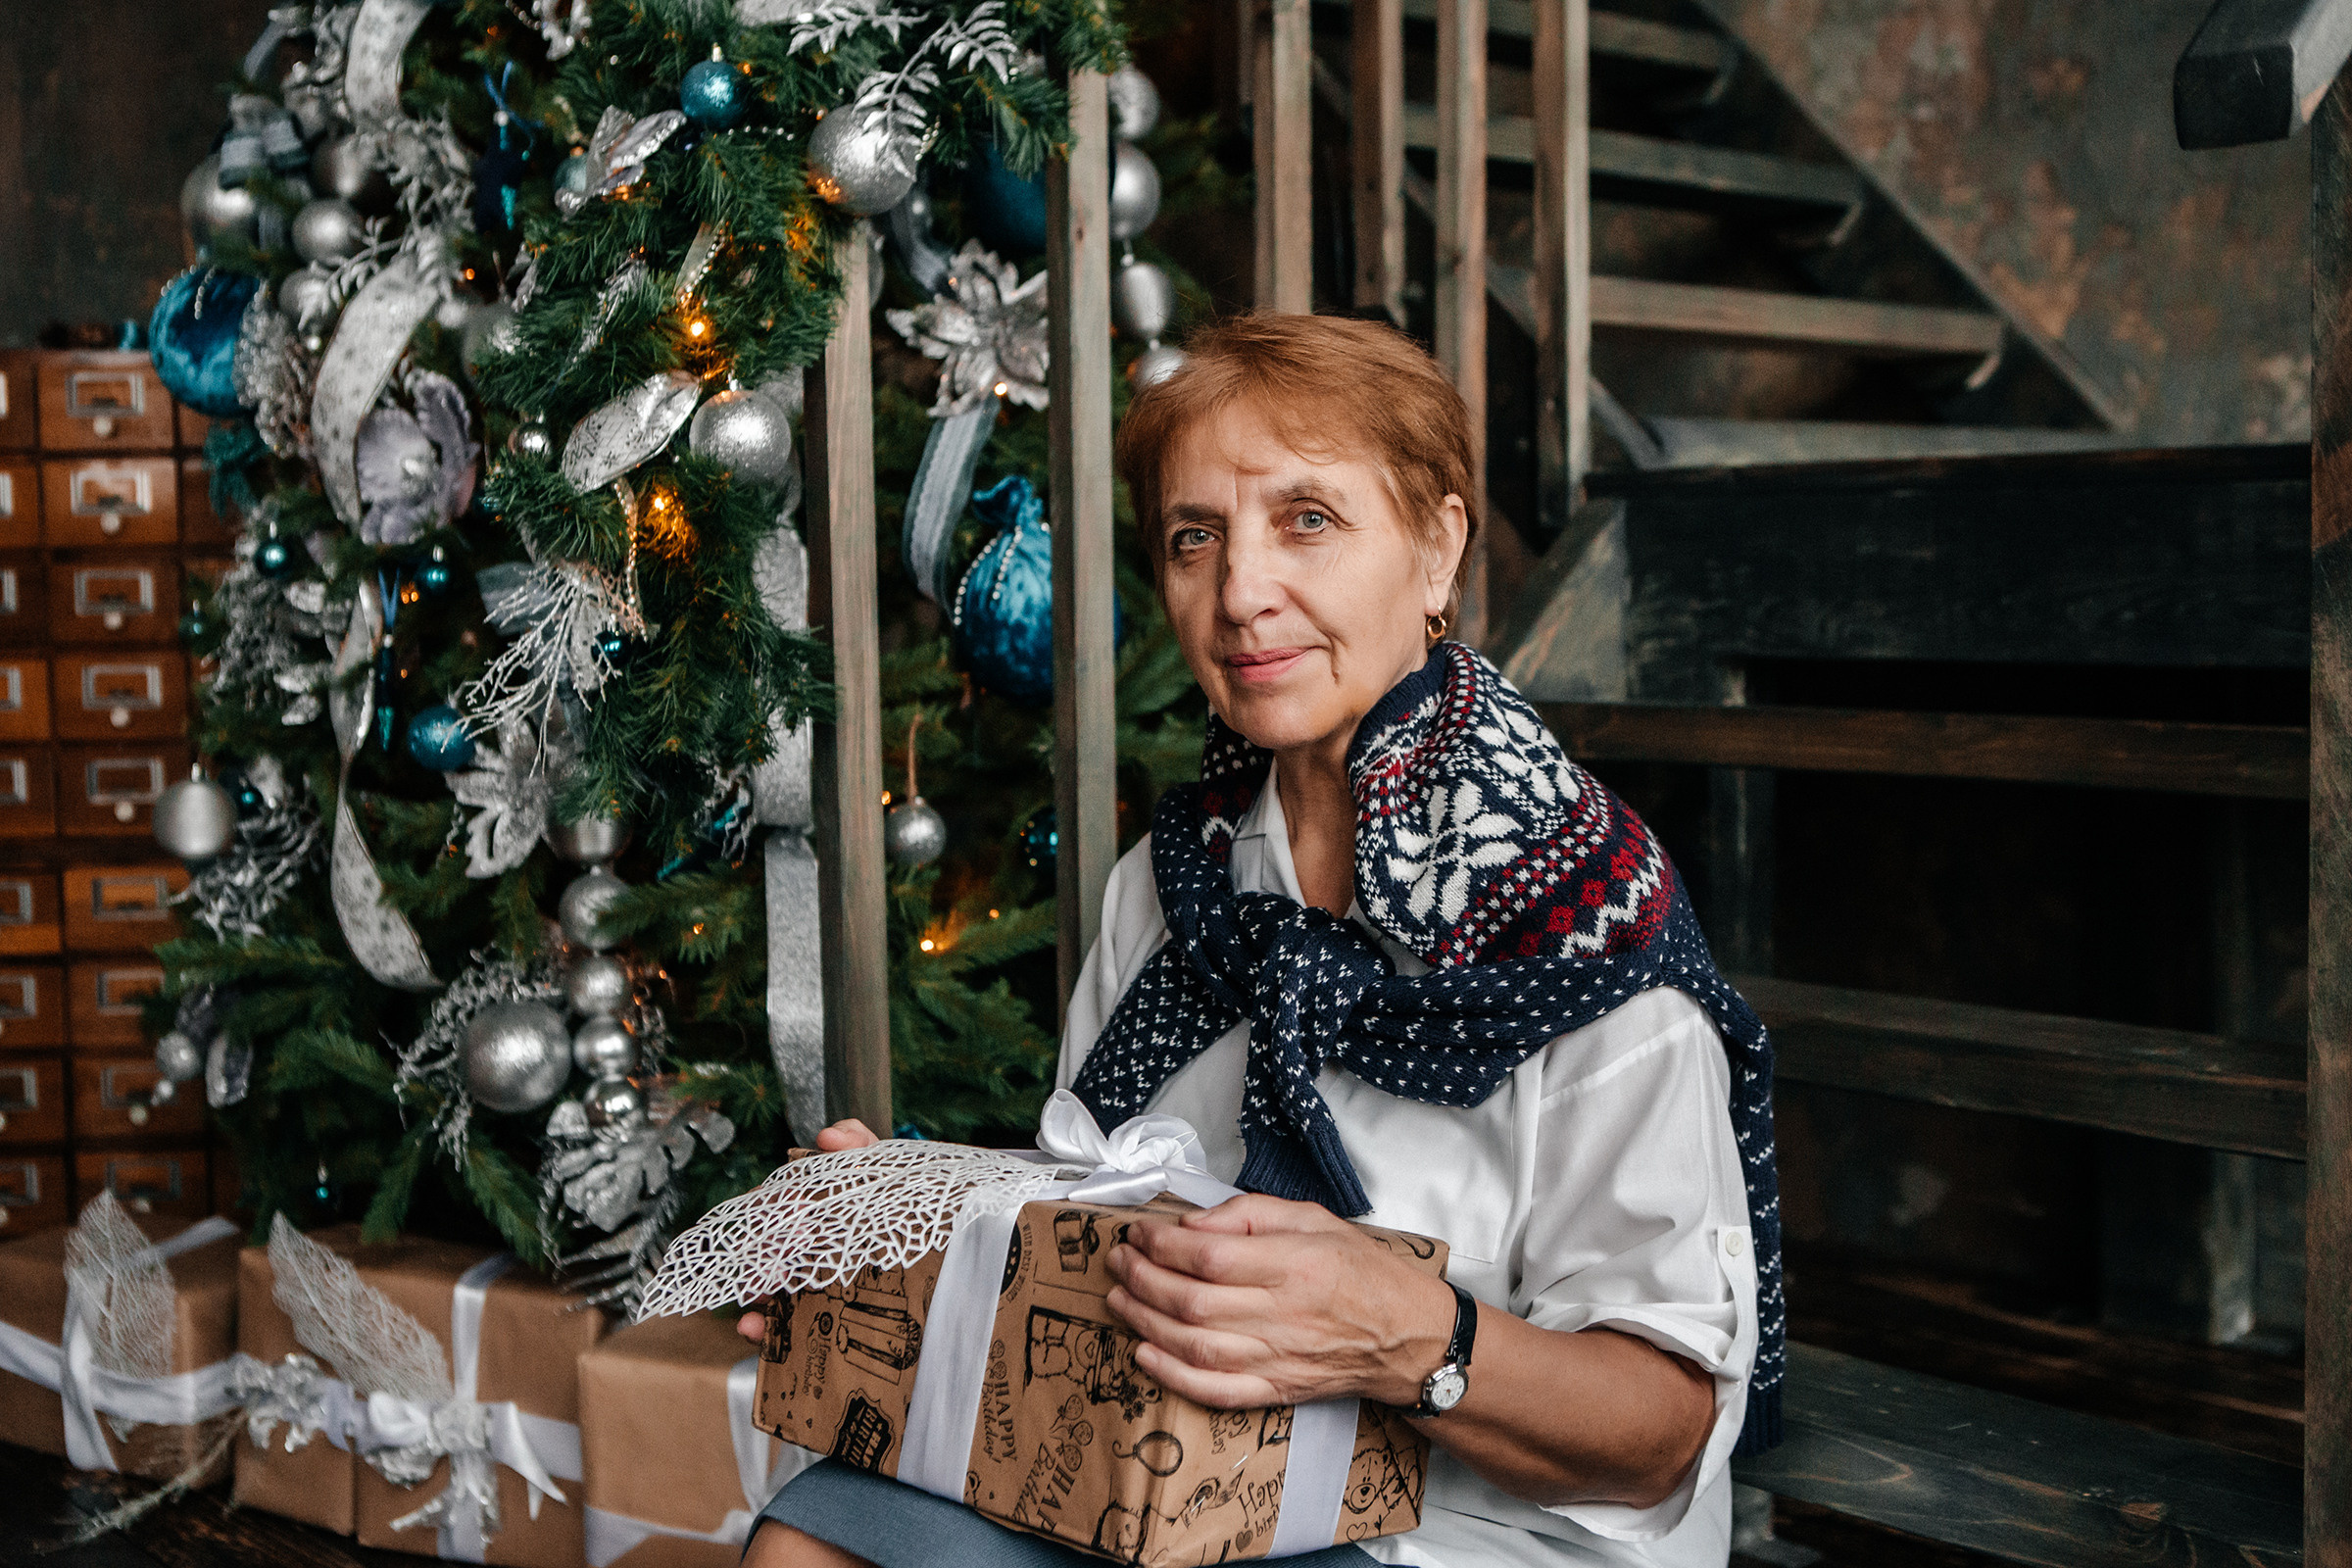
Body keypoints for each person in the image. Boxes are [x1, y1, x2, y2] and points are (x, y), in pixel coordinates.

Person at [741, 313, 1783, 1568]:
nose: (1240, 594)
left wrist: (1414, 1334)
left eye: (1309, 520)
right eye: (1197, 538)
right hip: (1171, 1474)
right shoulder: (1171, 884)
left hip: (1462, 1533)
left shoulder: (1581, 918)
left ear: (1437, 547)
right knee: (811, 1544)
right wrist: (925, 1233)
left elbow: (1663, 1431)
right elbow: (1103, 1228)